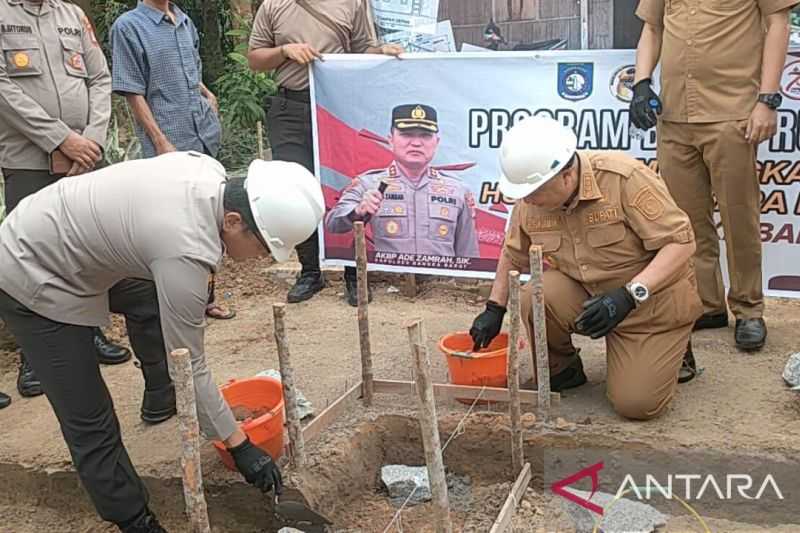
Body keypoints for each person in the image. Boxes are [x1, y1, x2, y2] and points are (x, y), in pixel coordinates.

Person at [0, 151, 324, 532]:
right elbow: (187, 365)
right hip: (31, 268)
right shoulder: (183, 250)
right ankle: (135, 520)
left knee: (150, 302)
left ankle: (158, 397)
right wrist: (240, 446)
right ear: (233, 221)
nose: (262, 259)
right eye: (265, 248)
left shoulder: (208, 171)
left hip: (65, 233)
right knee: (89, 417)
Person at [470, 116, 703, 420]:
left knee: (636, 405)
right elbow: (514, 254)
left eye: (535, 191)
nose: (528, 199)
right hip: (587, 294)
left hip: (649, 303)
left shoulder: (624, 178)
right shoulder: (533, 196)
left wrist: (629, 295)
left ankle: (676, 347)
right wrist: (494, 308)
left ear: (567, 175)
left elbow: (681, 244)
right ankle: (563, 369)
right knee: (532, 295)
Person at [631, 0, 797, 352]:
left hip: (732, 112)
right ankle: (706, 304)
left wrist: (767, 99)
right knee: (685, 222)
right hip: (674, 117)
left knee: (740, 217)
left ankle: (749, 308)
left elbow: (778, 23)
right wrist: (642, 83)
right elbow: (652, 28)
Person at [0, 0, 132, 400]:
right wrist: (60, 139)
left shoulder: (72, 15)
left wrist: (90, 140)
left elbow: (100, 78)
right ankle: (34, 359)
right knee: (32, 258)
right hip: (28, 160)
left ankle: (90, 334)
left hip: (84, 158)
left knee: (90, 250)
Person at [247, 0, 403, 305]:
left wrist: (380, 51)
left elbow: (363, 49)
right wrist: (283, 51)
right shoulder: (274, 6)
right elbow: (255, 58)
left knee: (347, 185)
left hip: (338, 106)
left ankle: (353, 272)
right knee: (295, 188)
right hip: (290, 107)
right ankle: (309, 272)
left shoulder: (352, 3)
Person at [110, 0, 234, 322]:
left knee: (209, 221)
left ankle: (207, 297)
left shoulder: (183, 20)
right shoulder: (128, 26)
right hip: (169, 140)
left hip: (203, 132)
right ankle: (176, 303)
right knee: (175, 226)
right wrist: (160, 140)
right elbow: (132, 91)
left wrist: (207, 94)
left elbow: (190, 68)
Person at [326, 104, 480, 305]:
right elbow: (333, 223)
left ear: (436, 142)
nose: (416, 143)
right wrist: (358, 211)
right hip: (390, 293)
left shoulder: (458, 189)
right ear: (391, 139)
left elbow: (468, 252)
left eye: (425, 135)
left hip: (442, 292)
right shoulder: (369, 183)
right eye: (406, 134)